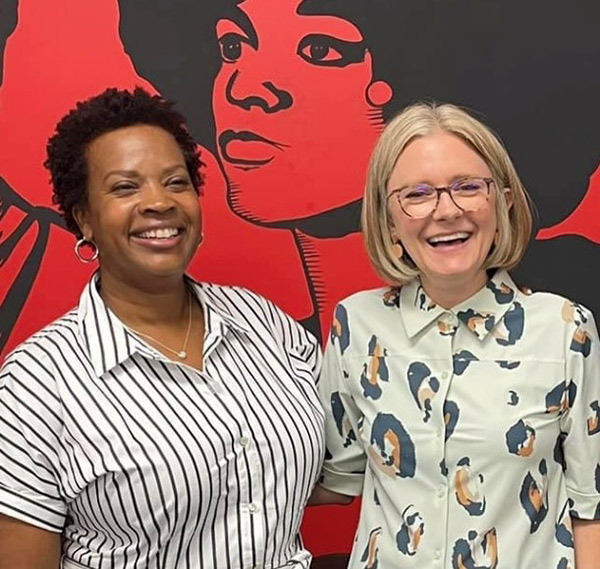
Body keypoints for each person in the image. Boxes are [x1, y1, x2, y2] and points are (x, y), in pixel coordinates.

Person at [0, 88, 324, 569]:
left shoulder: (265, 323)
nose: (159, 202)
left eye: (175, 182)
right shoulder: (37, 381)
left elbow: (348, 460)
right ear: (83, 218)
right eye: (125, 188)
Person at [313, 102, 600, 568]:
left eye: (468, 187)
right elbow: (334, 476)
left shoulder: (566, 330)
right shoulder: (356, 326)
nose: (447, 211)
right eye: (418, 195)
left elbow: (592, 508)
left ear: (502, 201)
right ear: (389, 219)